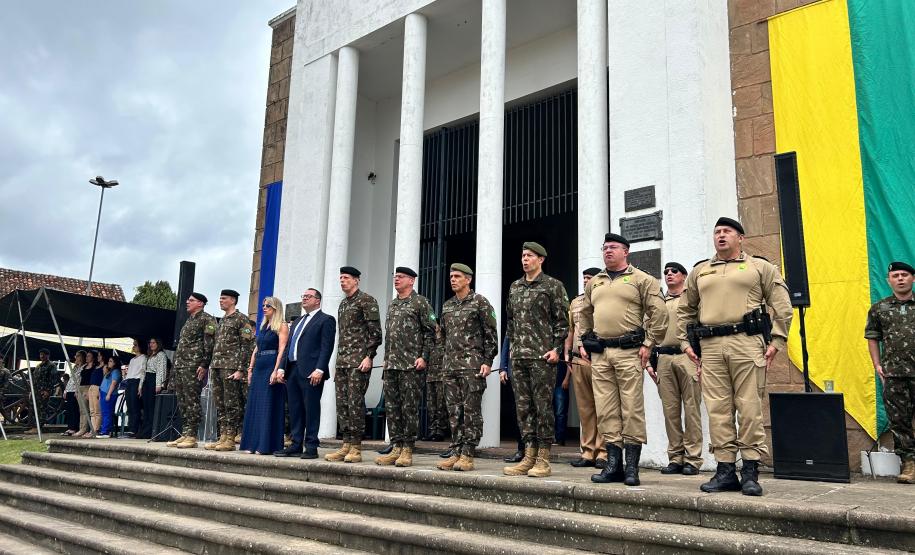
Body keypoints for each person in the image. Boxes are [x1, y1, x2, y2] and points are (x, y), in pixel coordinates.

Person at [678, 217, 793, 496]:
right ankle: (725, 470)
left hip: (746, 342)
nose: (721, 235)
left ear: (740, 237)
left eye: (727, 231)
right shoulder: (700, 271)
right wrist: (684, 342)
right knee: (717, 409)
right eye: (717, 231)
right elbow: (685, 309)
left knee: (749, 407)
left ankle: (751, 471)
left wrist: (777, 340)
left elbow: (782, 306)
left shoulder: (760, 267)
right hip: (711, 346)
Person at [580, 233, 667, 487]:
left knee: (631, 408)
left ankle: (632, 467)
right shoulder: (594, 282)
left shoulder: (642, 280)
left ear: (626, 251)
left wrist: (649, 344)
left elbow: (659, 314)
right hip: (601, 354)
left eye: (613, 247)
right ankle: (613, 465)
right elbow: (584, 313)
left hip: (629, 352)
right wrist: (584, 340)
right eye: (605, 247)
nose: (608, 251)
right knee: (606, 410)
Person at [503, 242, 570, 478]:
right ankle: (528, 455)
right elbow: (510, 322)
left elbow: (563, 322)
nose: (524, 259)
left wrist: (556, 349)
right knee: (523, 409)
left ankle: (543, 458)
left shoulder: (553, 286)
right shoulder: (515, 287)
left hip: (543, 358)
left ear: (540, 259)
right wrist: (511, 351)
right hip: (519, 357)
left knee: (543, 408)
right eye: (522, 255)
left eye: (529, 256)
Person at [437, 263, 498, 472]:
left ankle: (468, 453)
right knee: (454, 411)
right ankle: (456, 450)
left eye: (457, 276)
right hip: (451, 367)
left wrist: (487, 361)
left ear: (468, 279)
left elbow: (491, 334)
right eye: (451, 276)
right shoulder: (447, 305)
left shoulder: (480, 302)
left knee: (470, 411)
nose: (453, 279)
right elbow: (442, 336)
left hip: (472, 367)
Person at [375, 267, 436, 467]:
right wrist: (385, 358)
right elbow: (390, 335)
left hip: (411, 365)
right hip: (392, 365)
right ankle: (396, 446)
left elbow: (431, 332)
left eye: (400, 277)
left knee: (409, 408)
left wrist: (424, 357)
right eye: (395, 277)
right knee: (393, 408)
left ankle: (408, 449)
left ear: (411, 281)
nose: (396, 280)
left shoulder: (421, 303)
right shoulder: (393, 305)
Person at [325, 267, 382, 464]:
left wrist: (369, 356)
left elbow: (375, 333)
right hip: (343, 362)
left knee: (355, 403)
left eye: (346, 278)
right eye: (340, 278)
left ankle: (356, 447)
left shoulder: (367, 301)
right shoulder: (343, 304)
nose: (342, 281)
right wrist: (337, 362)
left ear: (356, 280)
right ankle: (346, 444)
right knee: (342, 404)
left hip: (359, 362)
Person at [866, 261, 915, 484]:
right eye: (896, 275)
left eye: (905, 274)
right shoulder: (879, 308)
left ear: (912, 278)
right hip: (894, 375)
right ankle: (909, 464)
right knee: (900, 421)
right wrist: (878, 366)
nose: (901, 278)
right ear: (889, 281)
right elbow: (873, 338)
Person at [274, 288, 336, 459]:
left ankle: (311, 446)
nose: (304, 299)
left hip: (311, 372)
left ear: (318, 300)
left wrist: (320, 369)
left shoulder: (326, 320)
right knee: (294, 409)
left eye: (308, 296)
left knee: (311, 409)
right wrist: (281, 368)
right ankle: (295, 444)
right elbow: (289, 346)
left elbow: (326, 347)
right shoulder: (299, 321)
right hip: (292, 370)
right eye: (303, 296)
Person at [655, 261, 703, 476]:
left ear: (684, 276)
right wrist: (649, 362)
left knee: (692, 409)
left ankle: (693, 459)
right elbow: (650, 328)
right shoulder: (659, 301)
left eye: (674, 271)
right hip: (664, 357)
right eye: (666, 272)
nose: (669, 275)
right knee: (670, 411)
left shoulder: (692, 299)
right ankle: (675, 457)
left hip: (688, 356)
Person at [565, 267, 607, 469]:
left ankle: (603, 452)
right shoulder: (575, 302)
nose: (585, 281)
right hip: (578, 361)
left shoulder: (604, 298)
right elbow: (571, 331)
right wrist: (566, 354)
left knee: (604, 407)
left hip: (599, 359)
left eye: (589, 278)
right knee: (585, 409)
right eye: (584, 278)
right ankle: (588, 451)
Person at [206, 289, 256, 451]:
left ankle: (231, 437)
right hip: (217, 366)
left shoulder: (241, 319)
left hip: (231, 367)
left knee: (231, 404)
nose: (221, 301)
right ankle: (222, 437)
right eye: (220, 298)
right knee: (220, 403)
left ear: (233, 300)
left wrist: (241, 369)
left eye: (224, 298)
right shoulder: (222, 320)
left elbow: (247, 345)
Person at [240, 296, 289, 455]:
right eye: (263, 305)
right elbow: (256, 348)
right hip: (259, 366)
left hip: (270, 365)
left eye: (268, 305)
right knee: (254, 405)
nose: (264, 307)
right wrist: (250, 368)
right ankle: (251, 444)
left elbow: (282, 350)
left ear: (276, 308)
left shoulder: (281, 326)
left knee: (267, 405)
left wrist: (276, 370)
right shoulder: (263, 327)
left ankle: (265, 445)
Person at [167, 293, 217, 449]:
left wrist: (204, 364)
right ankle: (186, 433)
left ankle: (192, 435)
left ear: (201, 303)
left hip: (193, 366)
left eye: (191, 300)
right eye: (188, 299)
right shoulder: (190, 320)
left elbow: (209, 344)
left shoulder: (207, 319)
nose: (187, 302)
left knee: (192, 400)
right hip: (181, 366)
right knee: (183, 401)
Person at [423, 325, 448, 442]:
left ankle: (440, 431)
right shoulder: (429, 341)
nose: (436, 328)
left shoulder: (446, 341)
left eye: (437, 325)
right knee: (431, 406)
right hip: (430, 377)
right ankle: (432, 430)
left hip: (441, 377)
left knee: (441, 405)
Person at [138, 339, 167, 439]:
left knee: (152, 406)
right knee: (146, 407)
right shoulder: (148, 356)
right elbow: (143, 371)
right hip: (147, 380)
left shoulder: (161, 355)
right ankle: (144, 431)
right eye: (150, 343)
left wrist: (159, 384)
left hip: (154, 380)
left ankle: (151, 431)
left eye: (154, 342)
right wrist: (140, 386)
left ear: (158, 344)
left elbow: (161, 370)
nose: (151, 344)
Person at [122, 340, 147, 438]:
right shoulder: (132, 360)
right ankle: (130, 428)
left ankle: (134, 429)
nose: (134, 347)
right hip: (129, 381)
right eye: (133, 345)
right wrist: (125, 376)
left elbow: (142, 372)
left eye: (135, 345)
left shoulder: (144, 357)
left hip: (136, 381)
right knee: (129, 406)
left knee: (135, 406)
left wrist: (140, 386)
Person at [73, 350, 100, 438]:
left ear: (93, 357)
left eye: (89, 356)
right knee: (81, 410)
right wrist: (77, 390)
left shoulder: (95, 367)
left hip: (88, 387)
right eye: (87, 356)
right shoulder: (84, 367)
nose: (87, 357)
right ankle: (81, 428)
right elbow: (80, 378)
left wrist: (88, 391)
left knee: (87, 409)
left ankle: (85, 428)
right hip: (81, 387)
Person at [32, 348, 58, 429]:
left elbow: (53, 379)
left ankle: (39, 427)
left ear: (48, 355)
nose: (42, 356)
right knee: (35, 408)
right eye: (41, 354)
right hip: (36, 390)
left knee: (42, 408)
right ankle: (35, 426)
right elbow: (34, 379)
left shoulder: (51, 365)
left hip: (45, 390)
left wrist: (48, 391)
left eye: (44, 354)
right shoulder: (38, 366)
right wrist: (32, 390)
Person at [61, 351, 84, 436]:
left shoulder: (83, 367)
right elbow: (71, 380)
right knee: (69, 409)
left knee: (75, 409)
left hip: (75, 390)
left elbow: (79, 380)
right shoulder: (75, 367)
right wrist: (65, 390)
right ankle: (70, 427)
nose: (76, 358)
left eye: (77, 356)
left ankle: (74, 427)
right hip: (70, 390)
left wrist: (77, 390)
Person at [98, 356, 122, 438]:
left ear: (115, 363)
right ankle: (106, 430)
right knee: (104, 412)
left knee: (107, 412)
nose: (109, 362)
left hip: (109, 393)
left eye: (111, 361)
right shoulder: (110, 371)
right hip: (103, 392)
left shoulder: (116, 371)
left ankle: (105, 431)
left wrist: (108, 394)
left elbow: (113, 383)